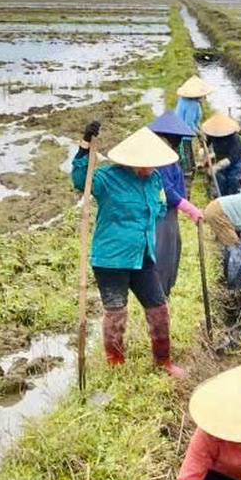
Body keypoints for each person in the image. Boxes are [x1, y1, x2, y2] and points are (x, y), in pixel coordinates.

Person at [71, 120, 186, 378]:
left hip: (143, 255)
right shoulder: (107, 178)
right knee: (116, 312)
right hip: (111, 259)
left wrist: (156, 213)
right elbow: (80, 180)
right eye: (144, 164)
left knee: (158, 308)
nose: (149, 168)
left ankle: (163, 361)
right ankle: (115, 363)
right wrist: (84, 146)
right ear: (130, 161)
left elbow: (159, 205)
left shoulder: (154, 178)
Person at [148, 111, 204, 299]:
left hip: (169, 212)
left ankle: (164, 291)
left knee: (173, 248)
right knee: (162, 252)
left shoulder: (169, 156)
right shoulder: (159, 158)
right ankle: (158, 294)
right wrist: (189, 209)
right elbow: (167, 190)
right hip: (160, 212)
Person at [201, 112, 241, 197]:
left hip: (234, 163)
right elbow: (206, 144)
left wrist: (216, 167)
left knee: (233, 181)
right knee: (220, 181)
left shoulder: (234, 138)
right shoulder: (212, 133)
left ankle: (232, 202)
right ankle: (219, 199)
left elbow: (233, 158)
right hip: (220, 157)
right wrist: (204, 155)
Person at [174, 75, 212, 172]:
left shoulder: (184, 99)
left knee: (187, 153)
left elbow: (194, 121)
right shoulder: (192, 105)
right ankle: (187, 173)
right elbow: (189, 123)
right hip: (182, 133)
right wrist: (199, 133)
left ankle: (190, 168)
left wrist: (199, 129)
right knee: (186, 154)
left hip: (179, 130)